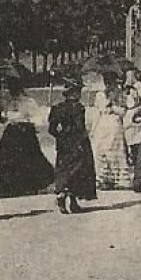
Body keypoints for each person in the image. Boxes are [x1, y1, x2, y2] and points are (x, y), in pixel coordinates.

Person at [0, 77, 54, 197]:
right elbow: (3, 120)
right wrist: (1, 113)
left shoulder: (27, 101)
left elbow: (37, 116)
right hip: (12, 131)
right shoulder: (5, 101)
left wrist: (27, 121)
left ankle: (28, 184)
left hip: (24, 132)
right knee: (7, 158)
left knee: (28, 158)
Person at [49, 79, 97, 214]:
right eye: (78, 92)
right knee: (78, 171)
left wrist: (61, 137)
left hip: (64, 144)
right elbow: (79, 127)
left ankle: (62, 196)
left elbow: (51, 129)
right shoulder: (78, 108)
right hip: (78, 142)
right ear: (74, 94)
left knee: (64, 169)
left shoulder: (57, 108)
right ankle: (73, 202)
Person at [91, 72, 134, 191]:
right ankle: (103, 179)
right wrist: (93, 128)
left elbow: (124, 111)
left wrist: (114, 107)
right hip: (102, 124)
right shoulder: (100, 95)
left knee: (114, 149)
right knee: (101, 150)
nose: (108, 84)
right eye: (106, 81)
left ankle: (118, 179)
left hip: (114, 124)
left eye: (110, 81)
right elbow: (98, 111)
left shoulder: (119, 94)